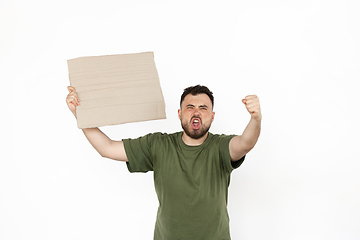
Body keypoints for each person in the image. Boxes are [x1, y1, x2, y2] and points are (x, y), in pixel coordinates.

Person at [66, 85, 261, 240]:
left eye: (203, 108)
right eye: (190, 107)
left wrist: (255, 118)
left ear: (212, 115)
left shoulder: (221, 146)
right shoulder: (159, 144)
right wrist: (79, 114)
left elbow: (245, 143)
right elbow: (107, 147)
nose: (196, 112)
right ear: (179, 113)